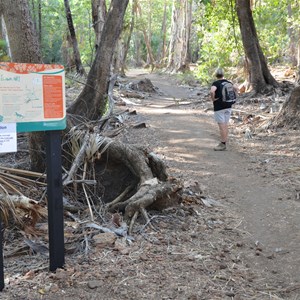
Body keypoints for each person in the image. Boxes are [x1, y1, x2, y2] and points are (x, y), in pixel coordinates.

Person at [210, 68, 238, 151]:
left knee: (222, 126)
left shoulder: (216, 83)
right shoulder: (229, 83)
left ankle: (223, 144)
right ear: (223, 74)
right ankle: (224, 141)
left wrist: (213, 99)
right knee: (225, 125)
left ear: (216, 75)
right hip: (228, 106)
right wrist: (235, 96)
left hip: (219, 107)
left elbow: (212, 91)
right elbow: (236, 89)